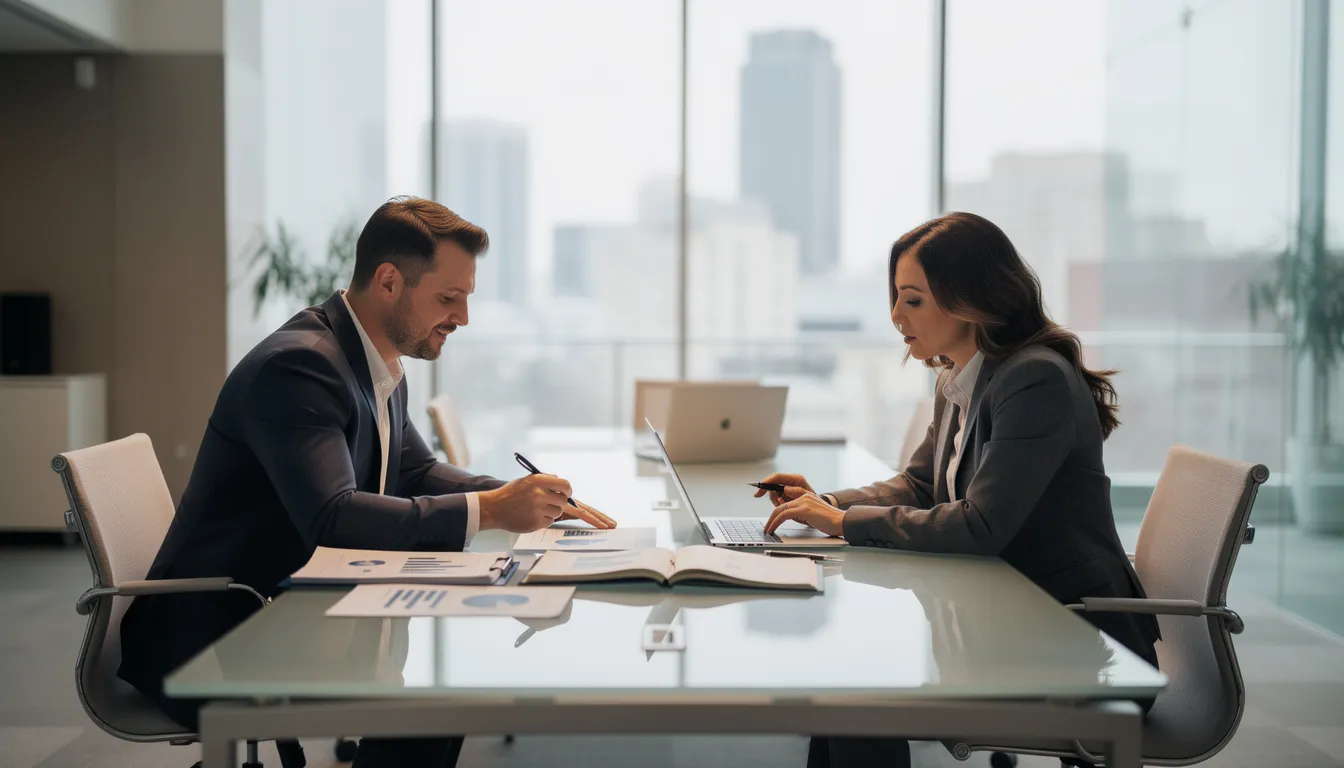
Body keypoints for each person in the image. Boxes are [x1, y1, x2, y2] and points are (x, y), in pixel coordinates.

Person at [118, 196, 616, 768]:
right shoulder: (300, 367)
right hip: (220, 635)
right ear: (388, 282)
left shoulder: (375, 359)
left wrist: (516, 495)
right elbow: (332, 518)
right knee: (437, 697)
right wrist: (493, 510)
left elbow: (413, 470)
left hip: (291, 602)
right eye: (448, 298)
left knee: (440, 691)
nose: (463, 317)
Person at [753, 212, 1160, 768]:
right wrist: (828, 504)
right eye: (896, 298)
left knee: (857, 696)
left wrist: (844, 525)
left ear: (971, 297)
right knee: (845, 687)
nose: (896, 316)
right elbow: (922, 484)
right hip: (1008, 616)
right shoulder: (962, 376)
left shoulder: (1032, 379)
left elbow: (980, 524)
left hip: (1077, 641)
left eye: (913, 300)